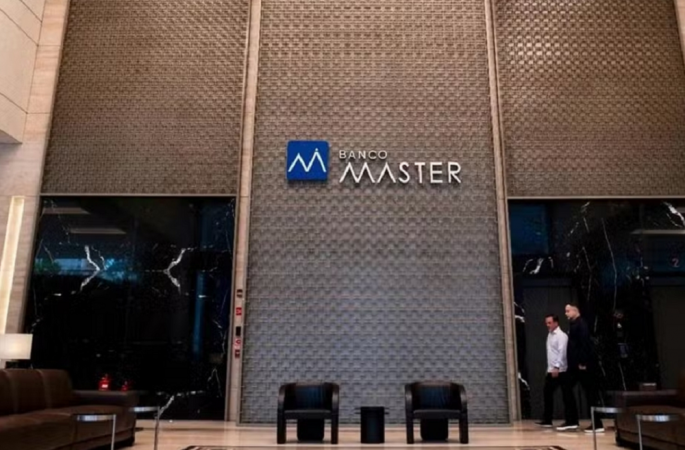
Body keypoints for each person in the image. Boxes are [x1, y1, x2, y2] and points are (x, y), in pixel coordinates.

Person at [565, 303, 604, 433]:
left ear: (575, 311)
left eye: (568, 311)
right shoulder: (575, 325)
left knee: (590, 393)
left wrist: (582, 362)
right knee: (570, 387)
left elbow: (584, 344)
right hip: (577, 365)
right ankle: (573, 420)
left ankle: (597, 423)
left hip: (583, 365)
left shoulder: (581, 325)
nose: (566, 314)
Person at [536, 314, 578, 430]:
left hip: (562, 370)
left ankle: (572, 421)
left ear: (556, 323)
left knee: (567, 395)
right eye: (546, 323)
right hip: (552, 369)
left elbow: (562, 352)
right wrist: (549, 369)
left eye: (549, 323)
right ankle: (547, 419)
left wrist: (557, 367)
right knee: (547, 393)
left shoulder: (561, 336)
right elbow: (551, 353)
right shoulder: (549, 335)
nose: (547, 325)